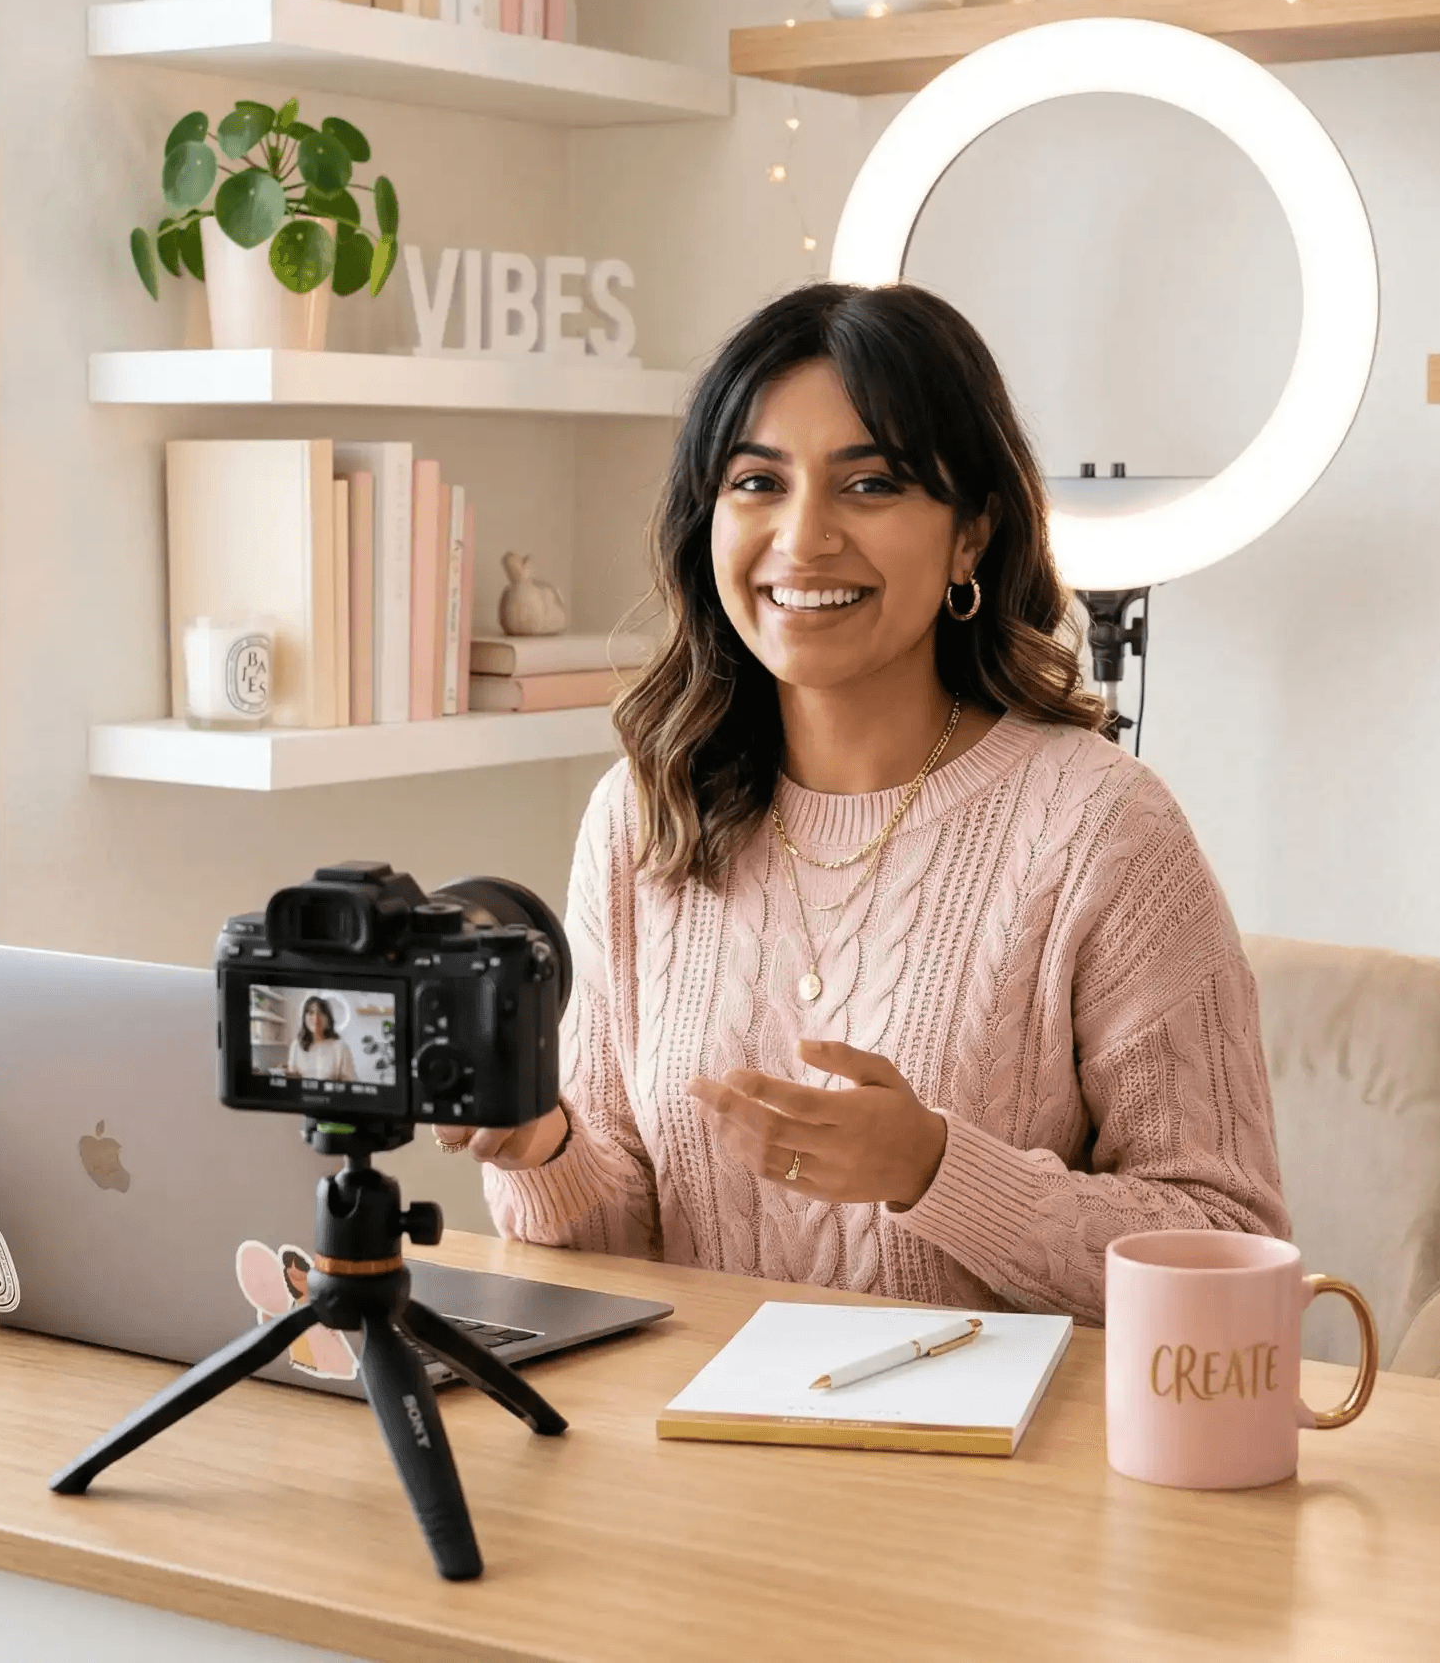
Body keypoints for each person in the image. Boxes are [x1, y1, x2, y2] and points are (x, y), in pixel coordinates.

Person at [436, 281, 1288, 1324]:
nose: (802, 540)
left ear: (969, 536)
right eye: (756, 482)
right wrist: (540, 1146)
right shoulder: (643, 814)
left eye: (871, 484)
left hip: (997, 1469)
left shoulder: (1098, 827)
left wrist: (939, 1170)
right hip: (689, 1458)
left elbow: (1233, 1249)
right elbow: (626, 1253)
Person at [285, 995, 355, 1083]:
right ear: (304, 1018)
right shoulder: (296, 1045)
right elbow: (292, 1080)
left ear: (328, 1019)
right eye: (311, 1013)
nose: (315, 1018)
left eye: (321, 1013)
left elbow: (350, 1082)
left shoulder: (341, 1047)